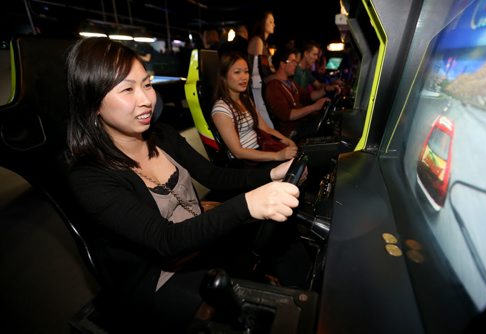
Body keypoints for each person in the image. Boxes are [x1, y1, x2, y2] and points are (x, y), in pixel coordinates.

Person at [65, 37, 310, 332]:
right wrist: (248, 204)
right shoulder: (89, 176)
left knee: (287, 244)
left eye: (146, 84)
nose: (146, 99)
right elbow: (165, 241)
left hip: (199, 241)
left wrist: (273, 173)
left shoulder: (163, 136)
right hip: (159, 277)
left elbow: (215, 176)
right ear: (94, 105)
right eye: (127, 89)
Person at [211, 51, 298, 166]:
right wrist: (277, 156)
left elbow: (265, 129)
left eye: (246, 72)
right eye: (237, 72)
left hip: (260, 150)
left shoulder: (245, 99)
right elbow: (238, 152)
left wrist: (288, 141)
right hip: (246, 164)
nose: (244, 77)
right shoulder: (221, 109)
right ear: (224, 77)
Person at [265, 47, 330, 141]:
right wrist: (314, 107)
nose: (296, 64)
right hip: (290, 132)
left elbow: (308, 97)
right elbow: (287, 115)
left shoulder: (291, 83)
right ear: (282, 64)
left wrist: (325, 90)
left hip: (301, 124)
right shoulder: (273, 87)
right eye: (292, 61)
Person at [247, 11, 276, 128]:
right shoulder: (257, 41)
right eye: (270, 21)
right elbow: (260, 69)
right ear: (262, 23)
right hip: (257, 87)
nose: (273, 24)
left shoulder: (263, 43)